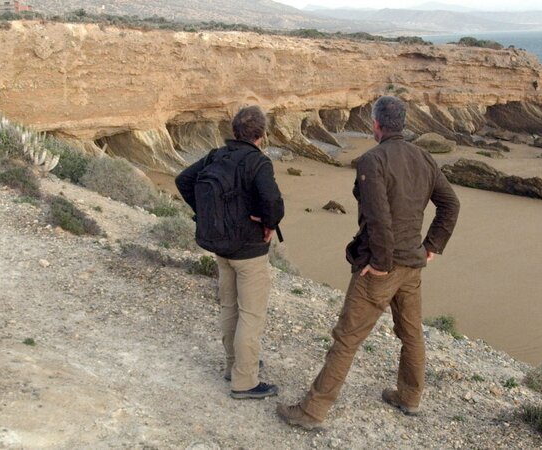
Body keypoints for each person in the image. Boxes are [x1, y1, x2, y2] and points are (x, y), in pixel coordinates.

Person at [277, 96, 460, 429]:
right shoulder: (423, 157)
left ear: (375, 124)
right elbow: (450, 205)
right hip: (412, 266)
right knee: (411, 334)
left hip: (383, 267)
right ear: (402, 123)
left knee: (347, 338)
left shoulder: (372, 160)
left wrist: (380, 263)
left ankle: (312, 412)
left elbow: (378, 217)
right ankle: (409, 397)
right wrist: (431, 246)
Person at [175, 106, 284, 399]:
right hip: (248, 250)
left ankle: (233, 366)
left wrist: (209, 214)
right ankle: (245, 381)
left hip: (220, 246)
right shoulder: (258, 162)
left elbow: (184, 181)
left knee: (229, 308)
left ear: (234, 131)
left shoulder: (215, 156)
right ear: (261, 134)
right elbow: (273, 204)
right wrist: (268, 224)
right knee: (251, 315)